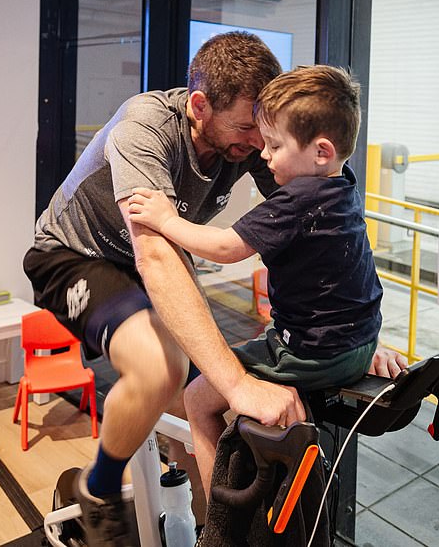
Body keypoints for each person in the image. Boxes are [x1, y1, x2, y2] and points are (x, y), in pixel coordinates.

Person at [24, 33, 406, 546]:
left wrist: (350, 332)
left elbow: (319, 229)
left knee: (210, 402)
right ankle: (98, 488)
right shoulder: (146, 128)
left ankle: (212, 525)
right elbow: (154, 254)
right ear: (200, 106)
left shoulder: (247, 140)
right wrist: (238, 383)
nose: (257, 145)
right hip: (77, 256)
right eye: (249, 128)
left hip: (155, 260)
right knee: (164, 368)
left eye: (266, 135)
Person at [127, 64, 386, 499]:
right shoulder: (344, 188)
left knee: (196, 398)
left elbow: (227, 247)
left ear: (321, 152)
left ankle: (217, 524)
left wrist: (166, 219)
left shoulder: (298, 199)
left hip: (311, 352)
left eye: (274, 145)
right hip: (360, 344)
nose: (262, 155)